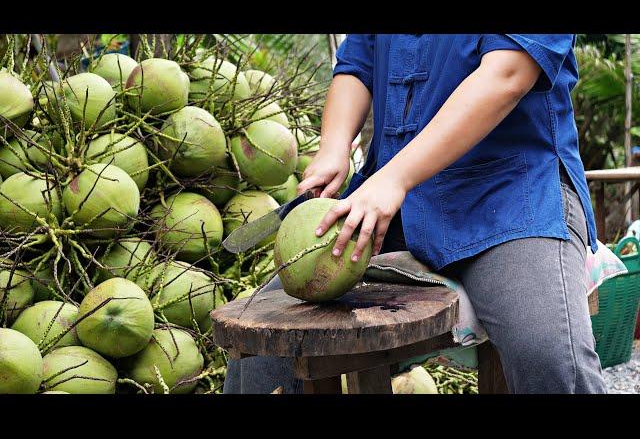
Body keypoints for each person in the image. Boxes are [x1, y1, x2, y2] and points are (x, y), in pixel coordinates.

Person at [223, 34, 607, 394]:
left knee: (547, 352)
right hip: (395, 211)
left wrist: (395, 178)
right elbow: (358, 62)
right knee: (263, 351)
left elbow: (507, 74)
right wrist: (334, 147)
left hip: (509, 199)